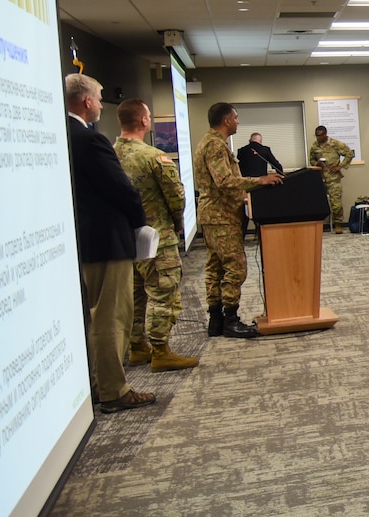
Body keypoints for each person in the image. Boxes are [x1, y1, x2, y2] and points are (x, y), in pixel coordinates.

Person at [66, 74, 155, 412]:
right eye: (100, 97)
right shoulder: (90, 140)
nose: (103, 104)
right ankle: (114, 390)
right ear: (86, 101)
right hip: (107, 241)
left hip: (83, 241)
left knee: (90, 316)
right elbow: (122, 190)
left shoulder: (61, 134)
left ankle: (94, 383)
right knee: (110, 317)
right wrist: (139, 223)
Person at [114, 99, 197, 372]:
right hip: (157, 237)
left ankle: (138, 347)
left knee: (136, 294)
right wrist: (177, 224)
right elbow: (176, 198)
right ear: (144, 121)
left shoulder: (109, 154)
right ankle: (161, 351)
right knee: (163, 293)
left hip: (124, 238)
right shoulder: (153, 157)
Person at [195, 102, 283, 338]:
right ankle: (230, 320)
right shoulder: (215, 145)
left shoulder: (211, 142)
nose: (238, 121)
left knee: (215, 267)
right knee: (235, 267)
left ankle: (216, 320)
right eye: (236, 117)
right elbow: (224, 181)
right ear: (226, 120)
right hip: (221, 217)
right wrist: (259, 181)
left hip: (215, 215)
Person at [308, 125, 354, 232]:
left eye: (320, 135)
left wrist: (340, 166)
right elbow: (311, 160)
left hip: (333, 179)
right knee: (318, 203)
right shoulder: (314, 146)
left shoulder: (334, 144)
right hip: (320, 178)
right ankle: (320, 225)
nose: (318, 138)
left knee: (336, 204)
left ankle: (338, 224)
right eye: (316, 136)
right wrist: (317, 163)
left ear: (325, 134)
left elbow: (349, 153)